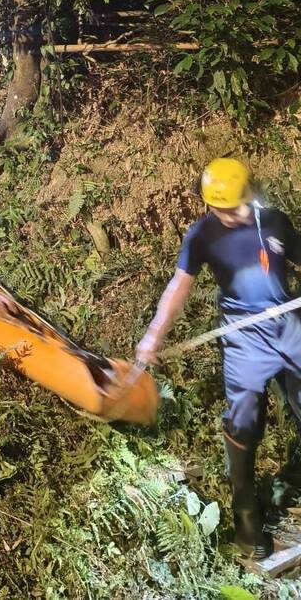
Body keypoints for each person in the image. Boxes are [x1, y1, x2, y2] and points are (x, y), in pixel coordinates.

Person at [136, 157, 301, 558]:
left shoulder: (274, 222)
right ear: (210, 205)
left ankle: (290, 483)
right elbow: (178, 287)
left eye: (242, 204)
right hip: (244, 335)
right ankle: (246, 518)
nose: (238, 213)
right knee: (244, 420)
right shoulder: (202, 235)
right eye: (227, 208)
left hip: (289, 323)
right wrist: (153, 337)